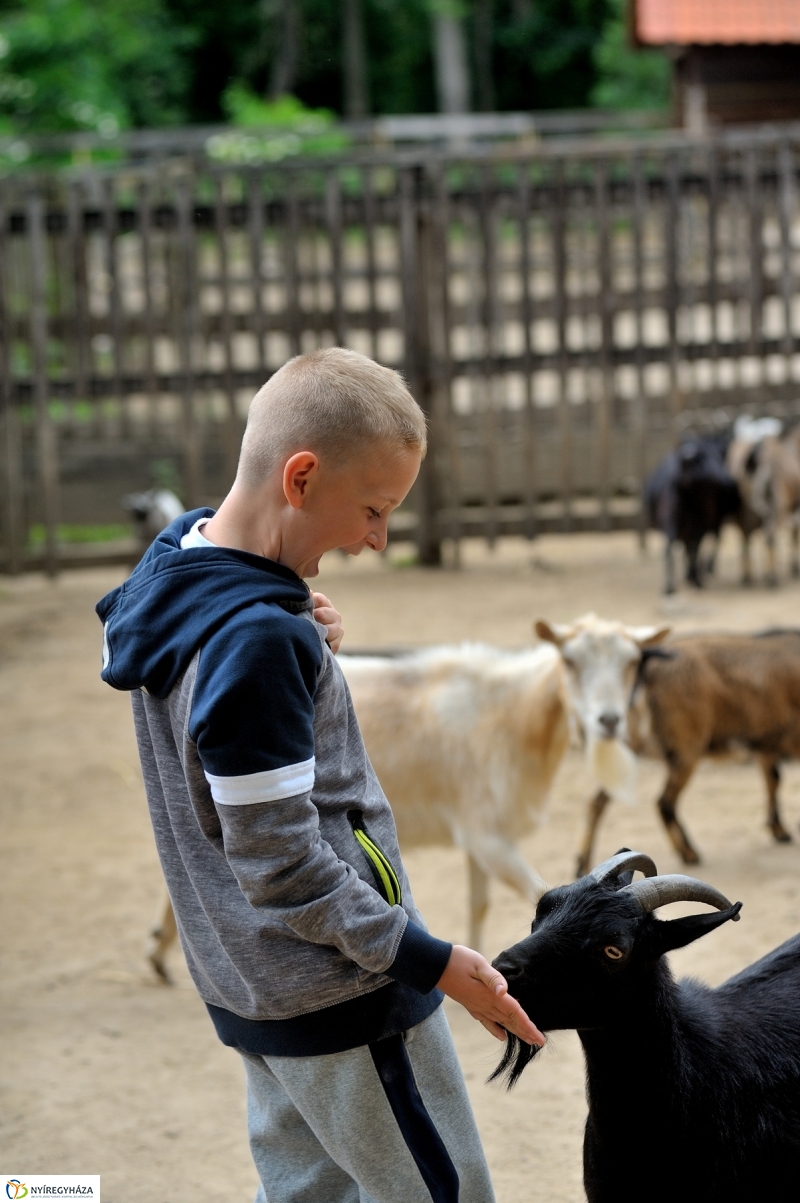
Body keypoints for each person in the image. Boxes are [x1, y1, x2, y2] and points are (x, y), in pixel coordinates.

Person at [96, 348, 543, 1203]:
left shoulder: (179, 566)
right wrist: (427, 959)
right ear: (300, 478)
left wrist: (293, 623)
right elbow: (284, 864)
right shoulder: (256, 639)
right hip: (345, 989)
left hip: (252, 983)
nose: (377, 539)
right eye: (375, 509)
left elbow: (219, 688)